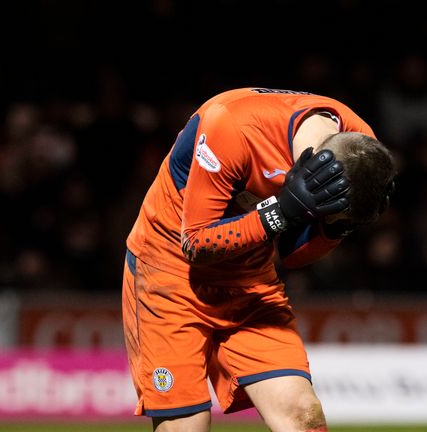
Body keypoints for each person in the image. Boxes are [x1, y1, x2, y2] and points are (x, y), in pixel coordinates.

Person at [122, 87, 396, 431]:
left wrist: (339, 229)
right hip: (170, 272)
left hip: (251, 278)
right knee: (186, 427)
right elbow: (195, 243)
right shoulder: (232, 126)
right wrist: (280, 212)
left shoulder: (359, 148)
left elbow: (294, 255)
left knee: (303, 417)